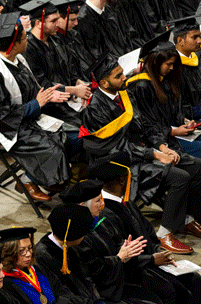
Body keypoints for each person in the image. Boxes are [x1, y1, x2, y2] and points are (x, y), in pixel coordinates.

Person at [80, 54, 201, 253]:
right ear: (103, 82)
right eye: (118, 76)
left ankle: (187, 219)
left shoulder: (125, 94)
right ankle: (163, 233)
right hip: (122, 162)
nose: (124, 78)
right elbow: (116, 147)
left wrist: (162, 146)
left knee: (196, 165)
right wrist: (153, 155)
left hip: (143, 151)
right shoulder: (95, 109)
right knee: (180, 177)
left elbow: (145, 125)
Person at [0, 12, 71, 202]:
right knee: (54, 148)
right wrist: (36, 104)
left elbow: (34, 90)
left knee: (69, 136)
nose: (27, 40)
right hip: (13, 129)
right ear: (14, 44)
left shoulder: (19, 60)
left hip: (30, 118)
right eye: (24, 38)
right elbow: (1, 116)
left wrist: (48, 95)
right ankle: (28, 178)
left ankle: (50, 178)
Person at [91, 152, 201, 304]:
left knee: (194, 279)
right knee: (172, 291)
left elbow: (148, 231)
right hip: (133, 270)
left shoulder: (126, 202)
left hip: (151, 262)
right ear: (122, 179)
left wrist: (158, 251)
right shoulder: (104, 213)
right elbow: (118, 252)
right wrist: (151, 259)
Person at [59, 179, 158, 304]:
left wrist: (126, 248)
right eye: (97, 201)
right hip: (101, 292)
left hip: (120, 279)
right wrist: (119, 258)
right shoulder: (75, 236)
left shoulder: (102, 220)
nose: (102, 204)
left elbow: (117, 243)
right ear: (82, 205)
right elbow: (92, 270)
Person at [127, 32, 201, 159]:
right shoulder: (141, 86)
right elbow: (147, 123)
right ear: (156, 62)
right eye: (168, 64)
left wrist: (185, 121)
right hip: (161, 141)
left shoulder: (165, 80)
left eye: (173, 64)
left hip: (174, 132)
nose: (172, 68)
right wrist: (173, 131)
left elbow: (174, 110)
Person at [20, 0, 90, 128]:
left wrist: (77, 81)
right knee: (84, 127)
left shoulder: (55, 40)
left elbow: (68, 66)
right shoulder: (28, 48)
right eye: (53, 21)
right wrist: (74, 90)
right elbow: (40, 84)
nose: (58, 24)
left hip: (69, 99)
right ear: (39, 23)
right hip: (51, 106)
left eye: (58, 19)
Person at [34, 203, 103, 304]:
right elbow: (60, 292)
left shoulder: (69, 245)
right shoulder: (42, 256)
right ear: (74, 235)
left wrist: (97, 299)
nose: (85, 236)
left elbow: (86, 275)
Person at [0, 227, 74, 304]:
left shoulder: (38, 268)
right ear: (9, 253)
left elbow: (60, 289)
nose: (28, 254)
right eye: (22, 251)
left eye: (30, 248)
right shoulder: (3, 283)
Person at [173, 16, 201, 118]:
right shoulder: (172, 67)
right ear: (180, 41)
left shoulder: (197, 57)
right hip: (189, 119)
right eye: (194, 37)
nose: (199, 41)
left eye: (200, 36)